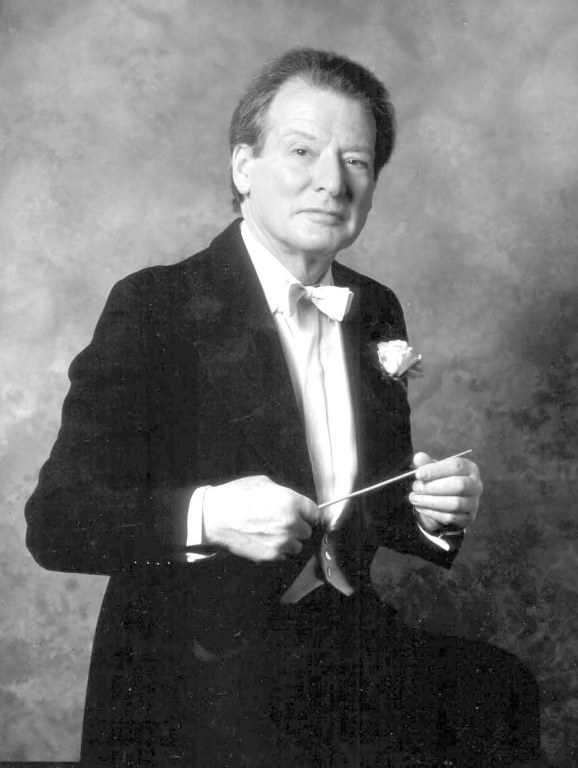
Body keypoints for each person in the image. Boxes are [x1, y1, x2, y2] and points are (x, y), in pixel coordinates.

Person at [25, 48, 541, 766]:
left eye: (357, 161)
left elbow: (363, 501)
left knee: (499, 688)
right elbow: (56, 522)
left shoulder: (375, 307)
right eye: (302, 151)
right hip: (198, 665)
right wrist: (211, 516)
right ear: (244, 166)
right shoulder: (155, 305)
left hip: (343, 641)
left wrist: (432, 509)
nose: (332, 181)